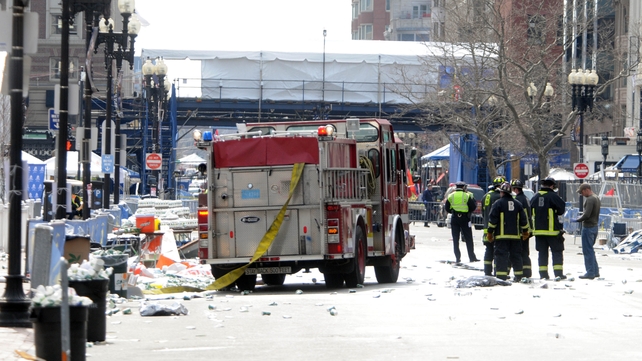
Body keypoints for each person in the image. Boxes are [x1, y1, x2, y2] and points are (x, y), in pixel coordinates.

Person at [487, 182, 529, 281]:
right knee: (516, 256)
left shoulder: (498, 204)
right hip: (515, 237)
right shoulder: (518, 204)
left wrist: (490, 232)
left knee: (501, 255)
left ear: (502, 192)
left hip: (501, 237)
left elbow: (493, 220)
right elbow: (524, 220)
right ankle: (518, 276)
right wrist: (525, 231)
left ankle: (501, 276)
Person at [530, 177, 566, 280]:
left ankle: (543, 274)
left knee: (542, 253)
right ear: (552, 186)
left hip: (538, 232)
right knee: (557, 252)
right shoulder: (553, 197)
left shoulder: (535, 197)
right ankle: (558, 274)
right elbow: (561, 210)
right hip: (552, 232)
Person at [445, 181, 479, 263]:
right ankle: (471, 257)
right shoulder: (467, 195)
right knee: (468, 238)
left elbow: (447, 208)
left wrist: (453, 211)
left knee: (455, 239)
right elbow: (473, 207)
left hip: (455, 218)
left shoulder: (451, 195)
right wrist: (467, 211)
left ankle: (457, 258)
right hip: (465, 218)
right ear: (463, 187)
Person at [573, 183, 601, 279]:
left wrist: (577, 219)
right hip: (594, 226)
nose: (581, 194)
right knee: (590, 250)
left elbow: (587, 214)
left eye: (582, 192)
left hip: (588, 227)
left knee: (587, 250)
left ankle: (590, 272)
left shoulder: (590, 199)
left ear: (586, 190)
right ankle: (595, 271)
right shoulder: (596, 197)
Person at [481, 176, 505, 276]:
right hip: (495, 229)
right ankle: (496, 271)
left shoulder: (486, 196)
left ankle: (487, 271)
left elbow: (483, 213)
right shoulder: (498, 197)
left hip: (486, 228)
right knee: (497, 252)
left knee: (488, 250)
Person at [511, 179, 533, 278]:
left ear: (516, 189)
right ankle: (527, 272)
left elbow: (520, 217)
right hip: (527, 230)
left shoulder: (518, 200)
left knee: (520, 252)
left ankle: (522, 273)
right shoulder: (526, 198)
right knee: (525, 252)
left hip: (521, 231)